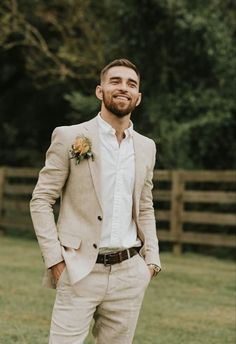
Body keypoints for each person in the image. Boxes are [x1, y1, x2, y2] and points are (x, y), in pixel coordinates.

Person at [30, 58, 161, 344]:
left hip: (129, 272)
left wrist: (151, 260)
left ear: (137, 98)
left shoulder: (146, 147)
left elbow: (144, 205)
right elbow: (41, 200)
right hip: (78, 270)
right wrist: (55, 260)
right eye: (115, 81)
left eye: (131, 84)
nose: (123, 88)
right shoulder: (69, 137)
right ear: (100, 91)